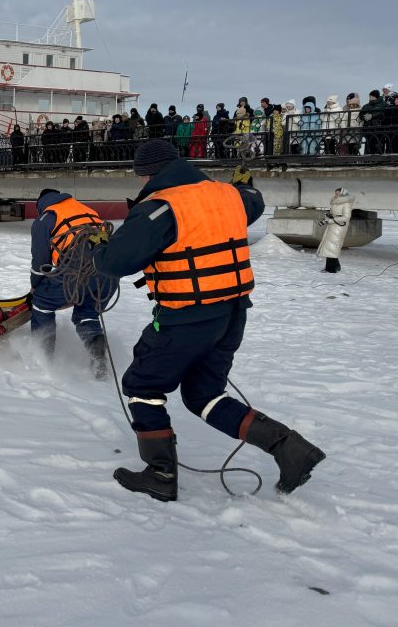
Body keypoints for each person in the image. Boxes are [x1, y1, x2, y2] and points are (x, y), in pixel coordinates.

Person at [92, 139, 325, 501]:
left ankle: (160, 474)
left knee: (141, 386)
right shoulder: (229, 195)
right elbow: (255, 201)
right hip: (232, 315)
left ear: (149, 174)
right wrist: (244, 183)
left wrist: (98, 245)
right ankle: (289, 448)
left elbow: (114, 263)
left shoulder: (160, 207)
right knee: (204, 395)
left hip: (186, 317)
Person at [30, 188, 113, 376]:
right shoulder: (87, 210)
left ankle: (41, 360)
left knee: (42, 303)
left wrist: (36, 286)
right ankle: (98, 356)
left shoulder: (46, 218)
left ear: (41, 204)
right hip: (107, 271)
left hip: (77, 268)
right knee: (88, 313)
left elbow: (41, 262)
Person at [317, 187, 353, 274]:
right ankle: (336, 265)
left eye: (338, 193)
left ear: (343, 194)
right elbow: (333, 214)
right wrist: (327, 218)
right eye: (335, 193)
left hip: (339, 227)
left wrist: (331, 220)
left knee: (332, 247)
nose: (336, 195)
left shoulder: (346, 204)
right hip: (333, 226)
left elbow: (346, 217)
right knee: (330, 247)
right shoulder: (335, 203)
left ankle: (331, 269)